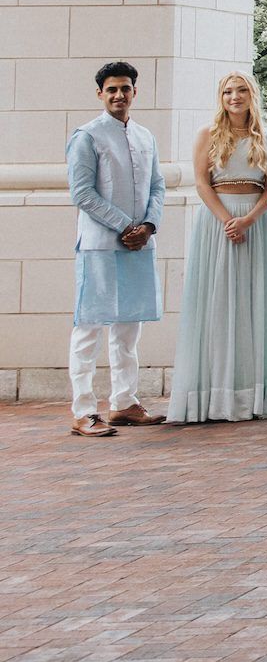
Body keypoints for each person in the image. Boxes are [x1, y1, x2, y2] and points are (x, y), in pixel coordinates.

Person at [168, 71, 267, 424]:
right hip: (218, 223)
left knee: (253, 302)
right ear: (220, 98)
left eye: (240, 91)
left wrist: (248, 220)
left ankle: (251, 394)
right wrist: (227, 220)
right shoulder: (207, 135)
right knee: (218, 301)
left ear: (252, 96)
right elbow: (202, 184)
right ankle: (214, 393)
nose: (234, 97)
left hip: (255, 223)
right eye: (227, 92)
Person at [65, 61, 166, 437]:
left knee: (129, 328)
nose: (119, 95)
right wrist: (126, 226)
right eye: (111, 90)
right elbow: (82, 193)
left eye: (125, 88)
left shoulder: (145, 136)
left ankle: (124, 402)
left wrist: (149, 227)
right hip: (100, 246)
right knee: (89, 326)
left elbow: (158, 186)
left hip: (140, 245)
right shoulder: (87, 136)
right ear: (100, 94)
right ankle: (83, 410)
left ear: (134, 92)